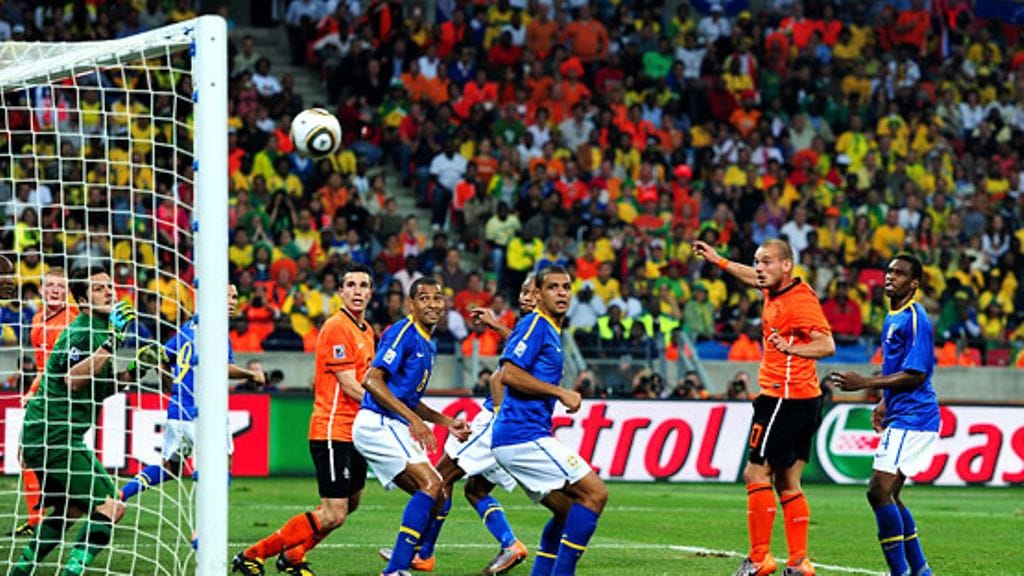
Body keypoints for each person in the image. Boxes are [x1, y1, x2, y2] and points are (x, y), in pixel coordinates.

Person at [693, 239, 835, 576]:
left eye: (766, 261)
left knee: (755, 473)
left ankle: (759, 559)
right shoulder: (776, 289)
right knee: (788, 481)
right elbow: (751, 277)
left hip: (783, 397)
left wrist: (791, 348)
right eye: (757, 261)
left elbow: (827, 344)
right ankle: (799, 562)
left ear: (787, 265)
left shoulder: (799, 302)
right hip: (804, 397)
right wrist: (719, 261)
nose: (759, 268)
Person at [379, 276, 537, 574]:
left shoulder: (537, 325)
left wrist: (496, 327)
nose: (525, 297)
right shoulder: (535, 327)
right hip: (514, 419)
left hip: (499, 418)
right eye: (523, 291)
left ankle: (420, 552)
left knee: (438, 479)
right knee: (475, 490)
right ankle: (509, 544)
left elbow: (516, 367)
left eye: (532, 292)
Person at [233, 264, 375, 575]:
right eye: (351, 285)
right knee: (334, 512)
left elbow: (352, 379)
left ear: (370, 293)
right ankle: (252, 555)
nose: (357, 291)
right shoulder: (337, 326)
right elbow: (350, 385)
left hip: (355, 431)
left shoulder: (366, 331)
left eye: (363, 285)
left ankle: (293, 555)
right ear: (340, 292)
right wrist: (388, 408)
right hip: (332, 429)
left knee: (351, 503)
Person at [12, 266, 149, 575]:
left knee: (71, 508)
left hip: (54, 435)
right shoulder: (83, 332)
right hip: (53, 436)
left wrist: (135, 371)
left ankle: (20, 570)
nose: (109, 292)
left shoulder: (97, 330)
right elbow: (74, 380)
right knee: (111, 507)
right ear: (84, 301)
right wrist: (112, 341)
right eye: (99, 289)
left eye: (110, 286)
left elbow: (100, 386)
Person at [120, 284, 266, 547]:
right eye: (226, 295)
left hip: (177, 411)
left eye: (235, 296)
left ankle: (121, 494)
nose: (232, 301)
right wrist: (251, 374)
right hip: (203, 412)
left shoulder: (189, 327)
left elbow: (161, 357)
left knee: (170, 467)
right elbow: (222, 367)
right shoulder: (215, 329)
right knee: (222, 466)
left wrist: (172, 388)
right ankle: (204, 529)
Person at [491, 265, 609, 575]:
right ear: (539, 294)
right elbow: (509, 374)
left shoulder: (551, 331)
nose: (561, 293)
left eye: (566, 287)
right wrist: (560, 392)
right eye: (553, 287)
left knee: (568, 512)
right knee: (595, 493)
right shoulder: (536, 324)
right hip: (523, 436)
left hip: (522, 436)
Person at [352, 277, 471, 576]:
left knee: (440, 496)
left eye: (437, 298)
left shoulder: (428, 344)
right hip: (377, 422)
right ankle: (397, 568)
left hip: (390, 423)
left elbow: (409, 399)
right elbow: (371, 380)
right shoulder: (403, 332)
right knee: (431, 484)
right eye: (424, 298)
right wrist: (415, 421)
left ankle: (411, 556)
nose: (432, 304)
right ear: (411, 304)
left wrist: (446, 422)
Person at [829, 254, 936, 576]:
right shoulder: (893, 316)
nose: (890, 277)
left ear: (914, 283)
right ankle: (920, 570)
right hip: (902, 412)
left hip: (914, 416)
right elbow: (898, 368)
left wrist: (865, 383)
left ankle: (901, 572)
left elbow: (916, 373)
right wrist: (885, 402)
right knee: (889, 494)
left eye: (899, 273)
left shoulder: (915, 318)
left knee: (878, 491)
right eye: (889, 271)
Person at [14, 268, 78, 538]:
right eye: (50, 285)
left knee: (33, 453)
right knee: (33, 455)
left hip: (64, 396)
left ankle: (41, 518)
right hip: (46, 393)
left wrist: (34, 391)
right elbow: (43, 366)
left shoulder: (72, 321)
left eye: (61, 286)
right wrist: (34, 389)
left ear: (68, 292)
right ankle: (39, 518)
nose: (55, 290)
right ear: (41, 289)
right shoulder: (37, 320)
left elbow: (56, 367)